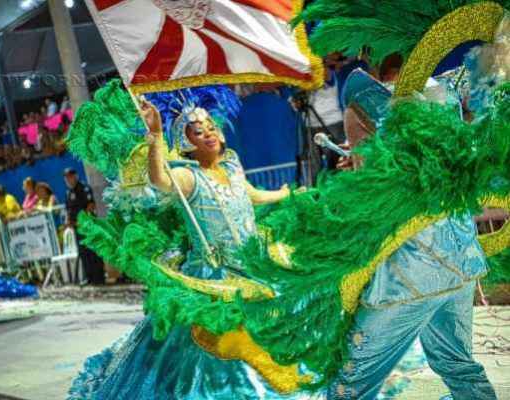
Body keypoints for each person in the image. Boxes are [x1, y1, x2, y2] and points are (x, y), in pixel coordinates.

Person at [68, 86, 298, 400]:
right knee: (218, 345)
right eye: (198, 132)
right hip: (213, 278)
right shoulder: (189, 178)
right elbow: (159, 181)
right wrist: (155, 135)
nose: (208, 134)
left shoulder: (232, 166)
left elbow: (251, 195)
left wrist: (283, 194)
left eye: (211, 127)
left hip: (252, 269)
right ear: (187, 143)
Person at [327, 63, 497, 399]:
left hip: (409, 271)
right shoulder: (448, 90)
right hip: (462, 260)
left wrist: (356, 168)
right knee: (458, 364)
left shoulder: (362, 97)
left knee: (350, 383)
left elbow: (374, 188)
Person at [64, 168, 105, 285]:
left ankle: (99, 277)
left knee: (93, 251)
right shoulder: (69, 192)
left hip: (87, 225)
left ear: (76, 176)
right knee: (83, 252)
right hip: (77, 227)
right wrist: (68, 221)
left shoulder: (84, 188)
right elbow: (69, 209)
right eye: (66, 178)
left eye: (70, 176)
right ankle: (89, 276)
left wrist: (83, 221)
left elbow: (91, 206)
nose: (69, 180)